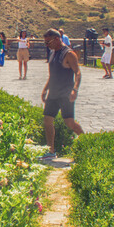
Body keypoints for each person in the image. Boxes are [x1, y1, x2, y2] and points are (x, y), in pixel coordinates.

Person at [40, 29, 84, 159]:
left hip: (65, 93)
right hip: (53, 93)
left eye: (48, 42)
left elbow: (78, 72)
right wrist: (45, 89)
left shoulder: (69, 54)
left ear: (57, 39)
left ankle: (86, 141)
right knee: (47, 120)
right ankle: (51, 150)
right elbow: (52, 74)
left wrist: (75, 89)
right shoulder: (53, 53)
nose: (47, 45)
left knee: (69, 122)